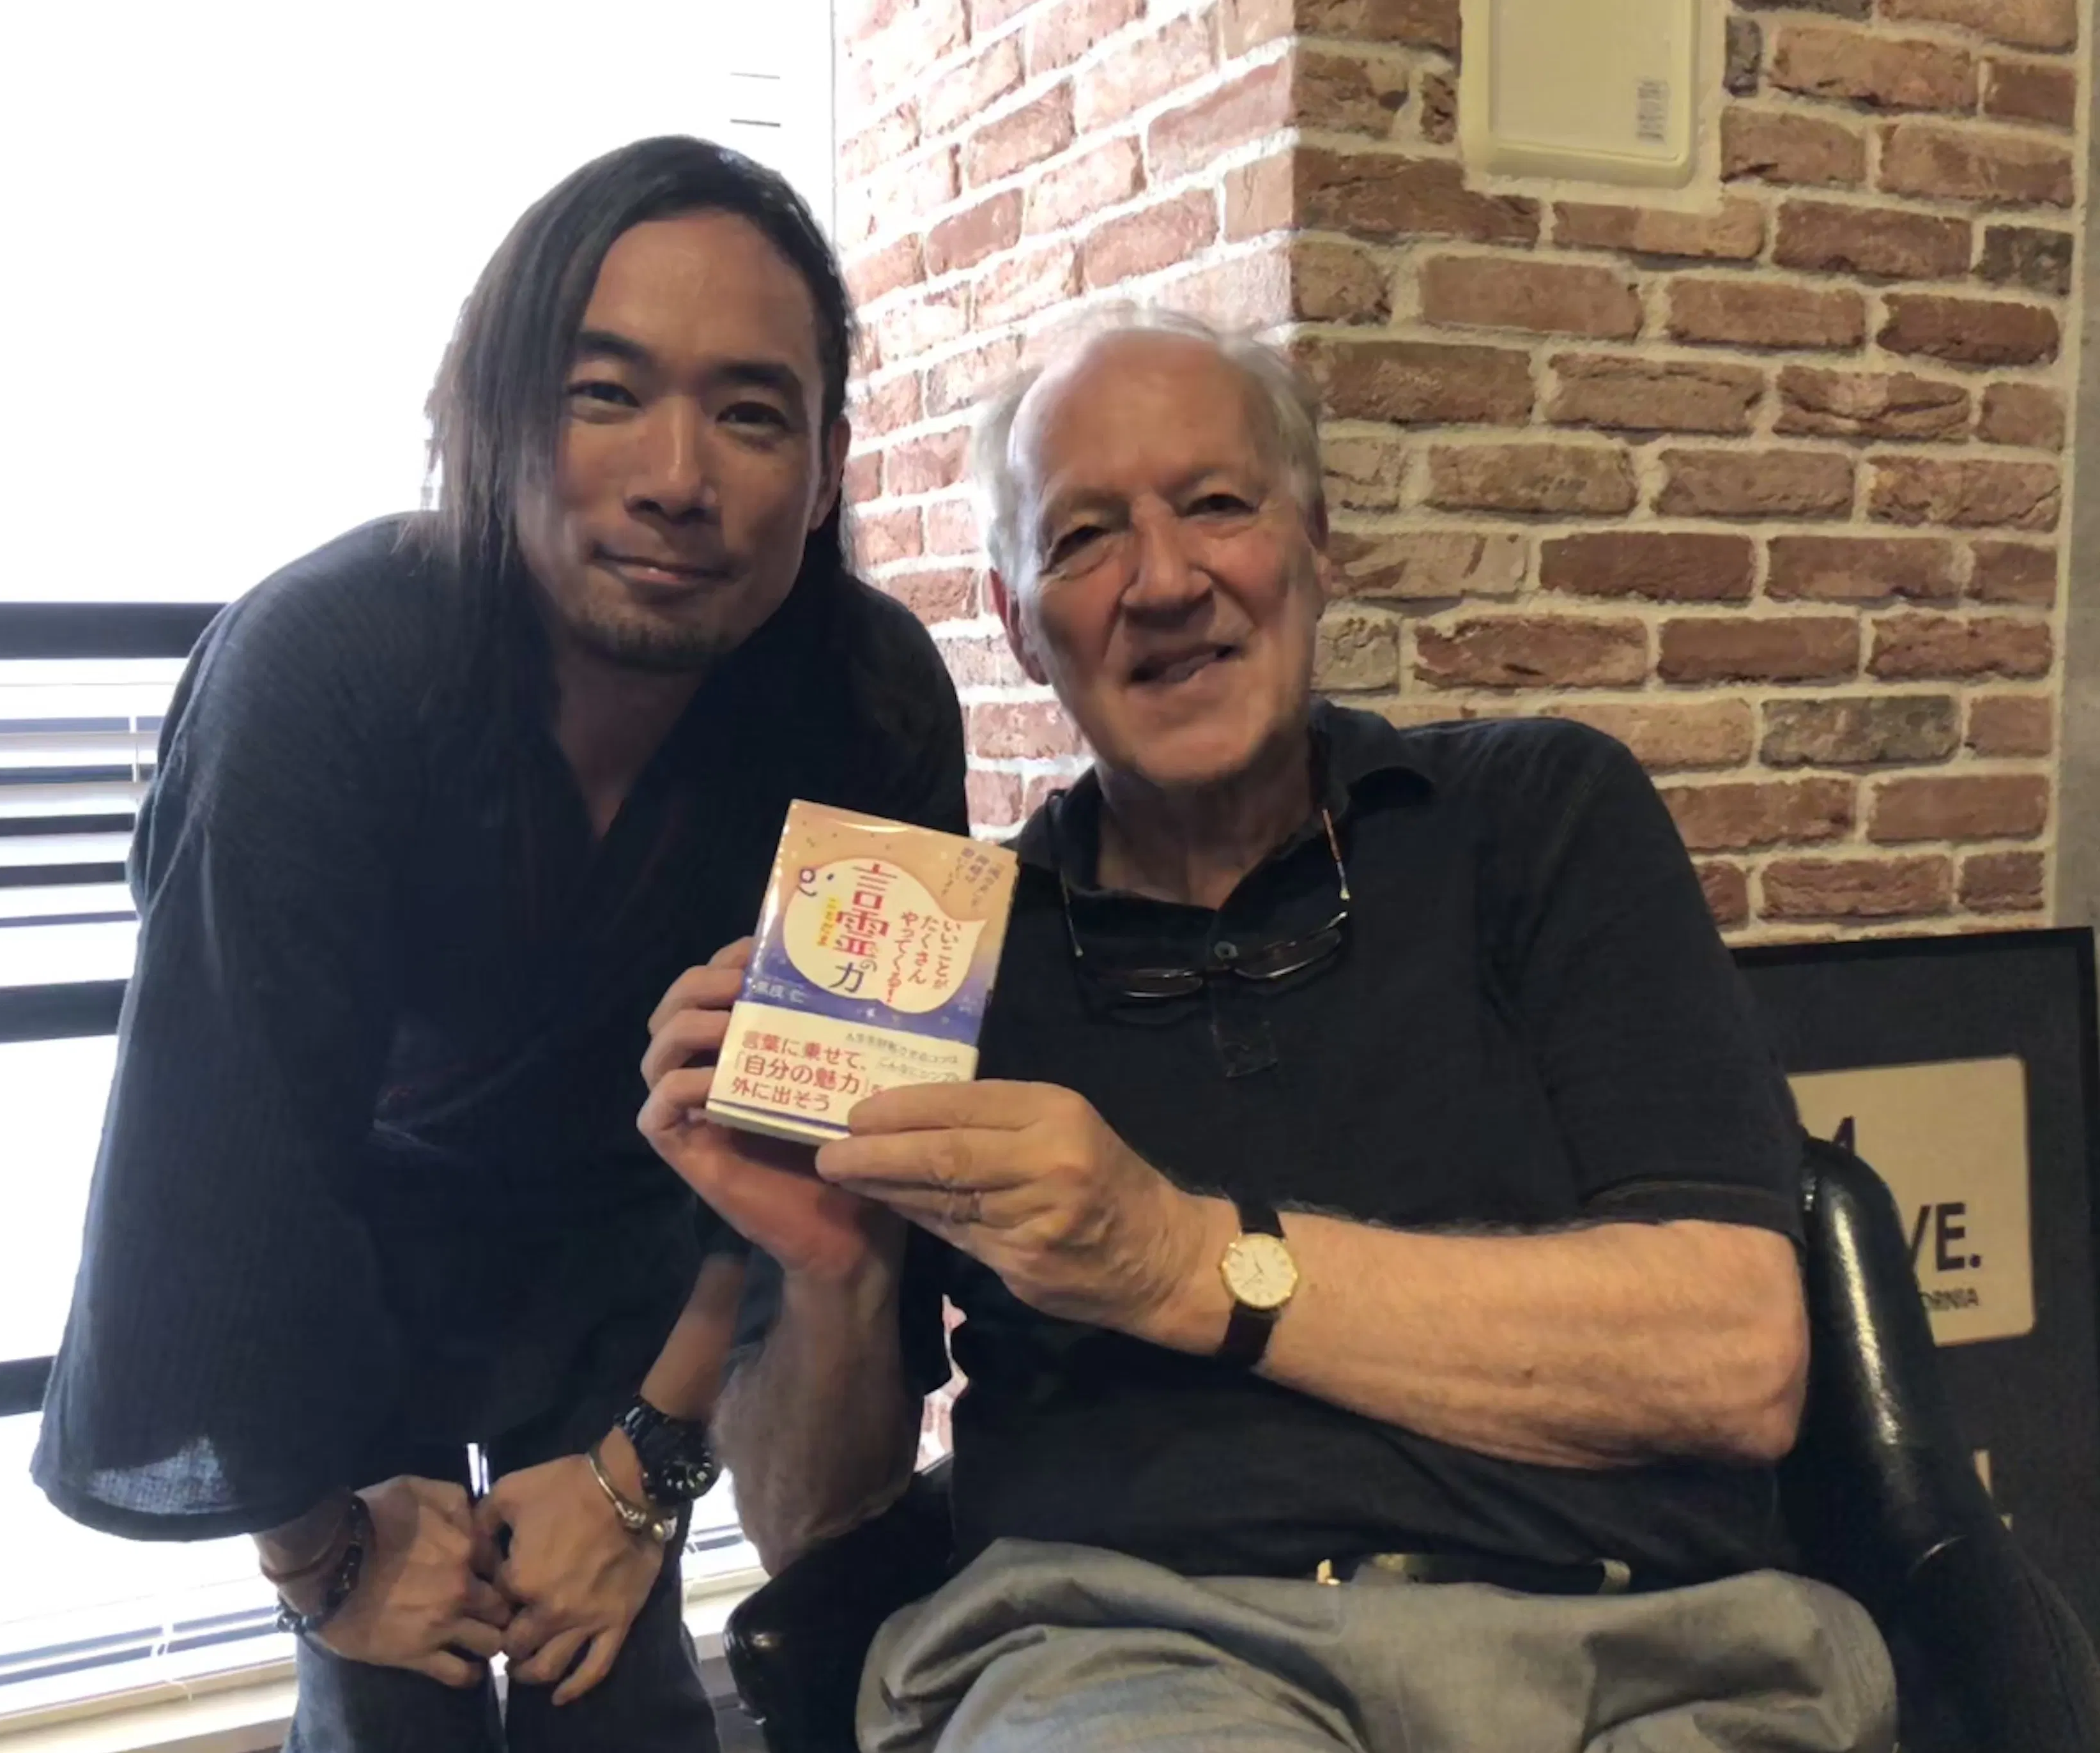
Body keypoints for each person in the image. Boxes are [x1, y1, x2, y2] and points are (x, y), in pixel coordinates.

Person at [639, 316, 1897, 1752]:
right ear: (1018, 622)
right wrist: (834, 1274)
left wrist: (1172, 1257)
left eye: (1217, 504)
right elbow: (812, 1534)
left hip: (1655, 1655)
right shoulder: (951, 962)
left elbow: (1735, 1362)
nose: (1164, 581)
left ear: (1316, 545)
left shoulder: (1541, 817)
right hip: (1132, 1659)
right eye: (1083, 538)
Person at [31, 136, 967, 1753]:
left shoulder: (868, 702)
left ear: (826, 469)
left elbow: (811, 1173)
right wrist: (319, 1555)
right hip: (351, 1243)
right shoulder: (322, 670)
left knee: (617, 1689)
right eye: (603, 394)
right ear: (487, 416)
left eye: (752, 414)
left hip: (657, 1240)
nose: (676, 476)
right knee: (392, 1689)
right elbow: (229, 1151)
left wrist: (646, 1464)